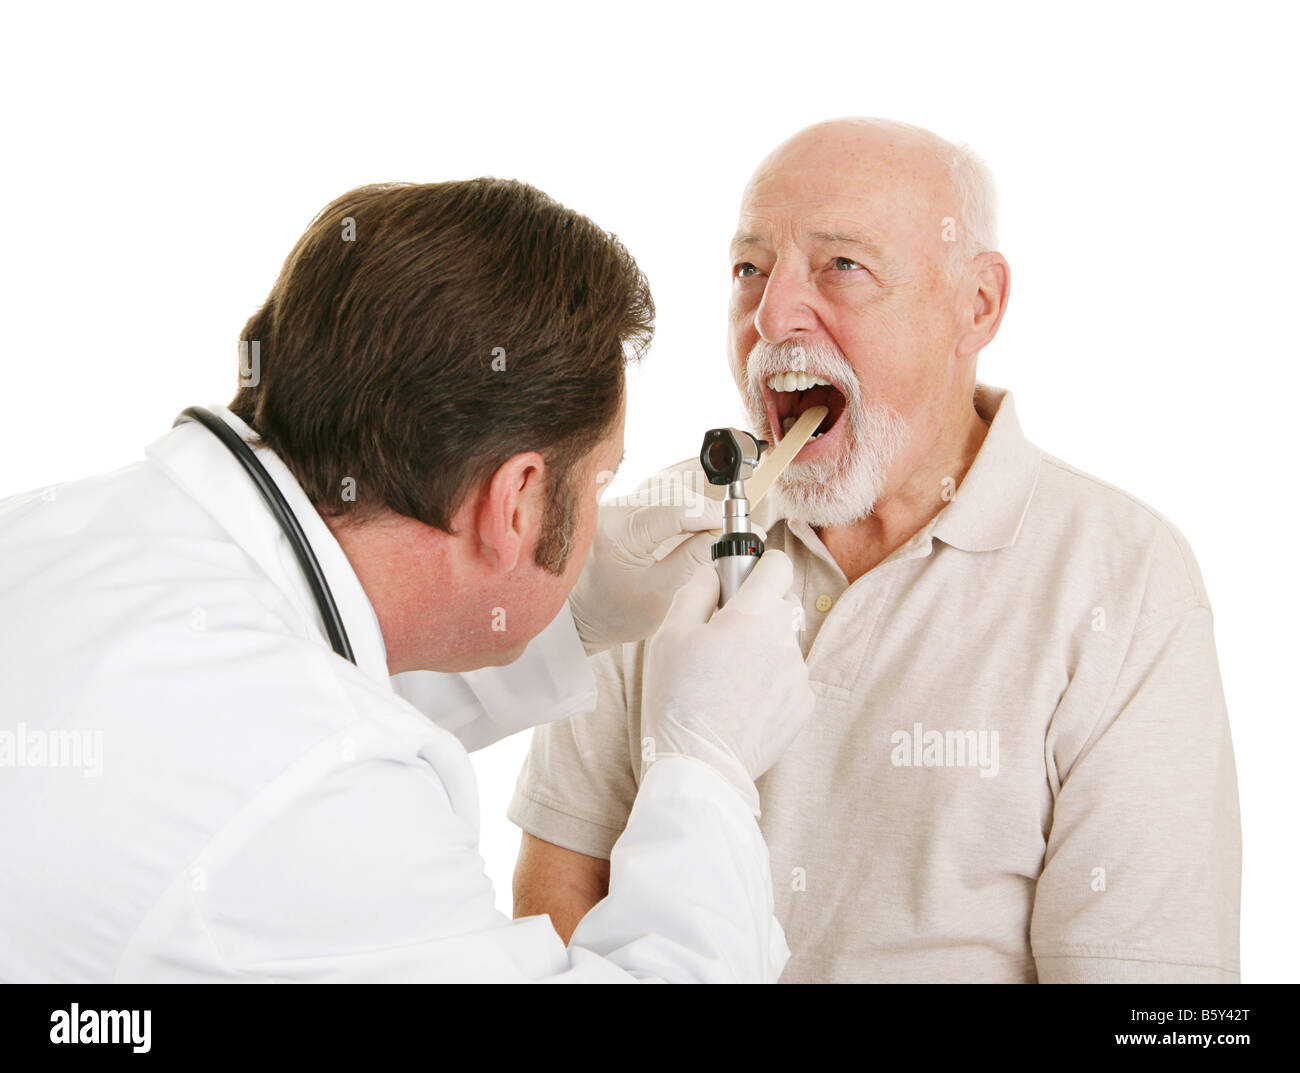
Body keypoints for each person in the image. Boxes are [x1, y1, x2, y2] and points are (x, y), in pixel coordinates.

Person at [0, 178, 814, 983]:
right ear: (517, 500)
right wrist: (708, 765)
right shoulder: (318, 793)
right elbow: (295, 757)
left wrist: (577, 598)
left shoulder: (65, 535)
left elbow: (284, 683)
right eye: (598, 485)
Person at [510, 119, 1242, 983]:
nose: (772, 314)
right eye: (749, 268)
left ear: (978, 305)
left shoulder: (1124, 577)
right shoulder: (665, 540)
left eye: (841, 266)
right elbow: (561, 890)